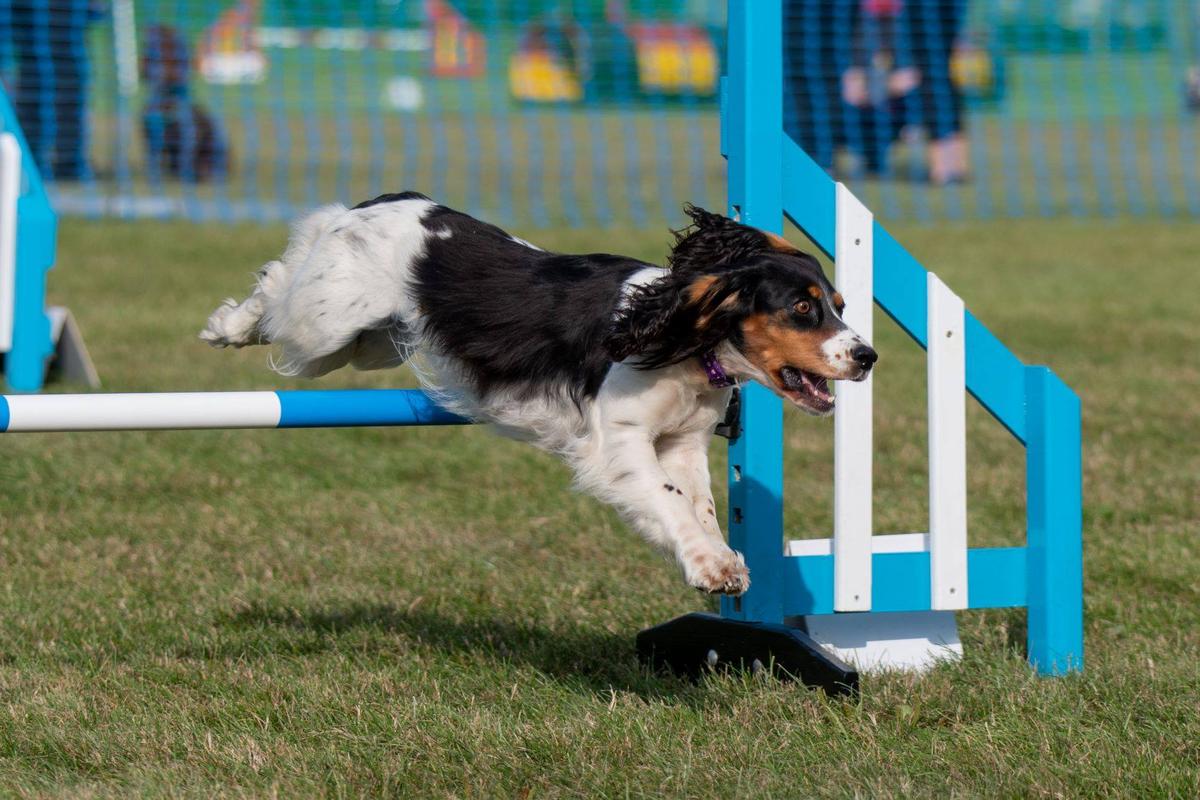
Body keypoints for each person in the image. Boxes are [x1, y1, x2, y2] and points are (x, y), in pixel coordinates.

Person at [9, 0, 96, 180]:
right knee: (35, 88)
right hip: (32, 21)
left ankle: (69, 163)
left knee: (68, 91)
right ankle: (32, 161)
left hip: (66, 23)